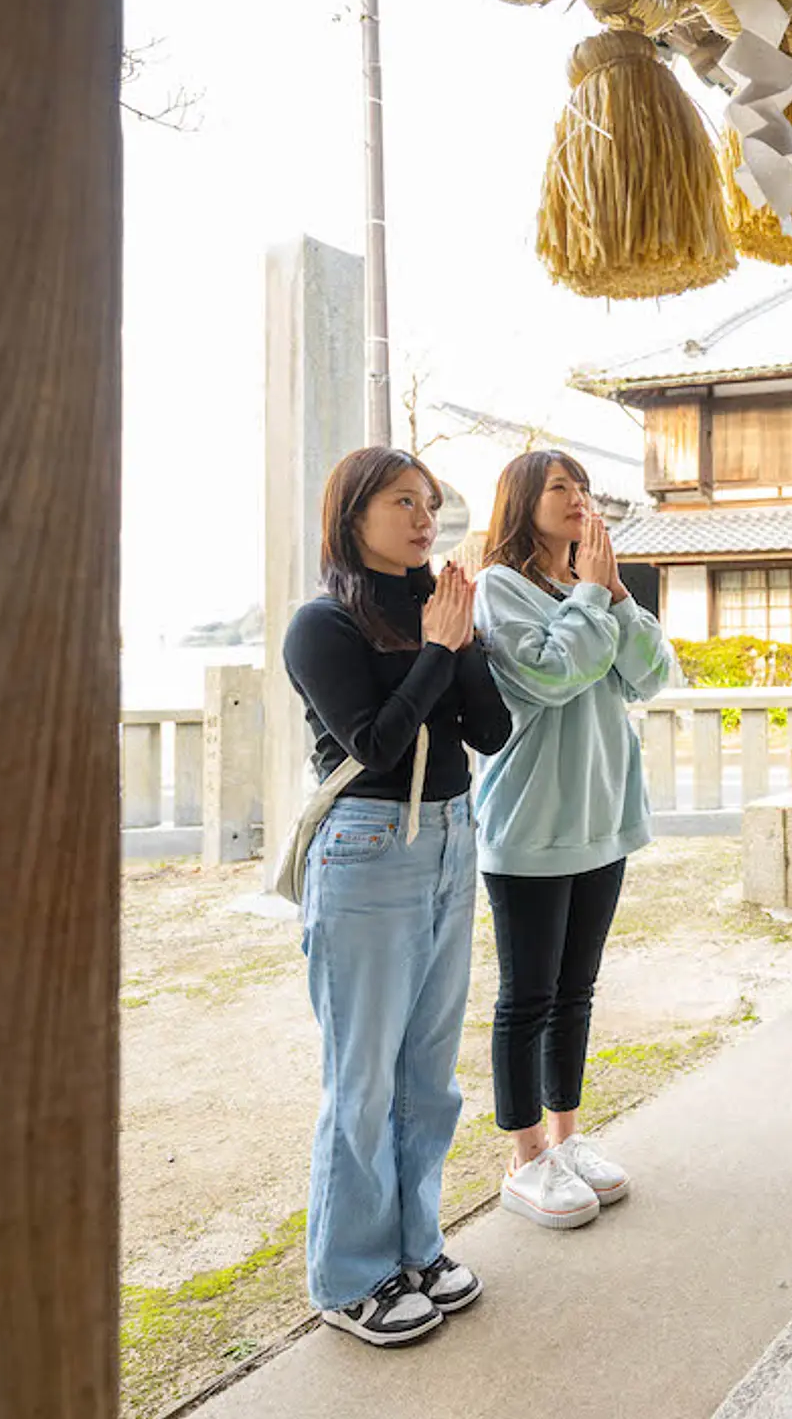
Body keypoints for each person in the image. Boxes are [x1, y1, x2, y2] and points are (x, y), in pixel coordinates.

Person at [281, 446, 513, 1346]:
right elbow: (374, 746)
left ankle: (416, 1248)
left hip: (454, 839)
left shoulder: (438, 608)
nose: (424, 518)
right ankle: (349, 1277)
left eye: (430, 502)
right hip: (370, 850)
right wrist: (439, 649)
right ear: (353, 517)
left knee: (427, 1074)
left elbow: (488, 731)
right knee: (365, 1077)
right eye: (402, 502)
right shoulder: (321, 626)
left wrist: (465, 645)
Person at [472, 449, 678, 1231]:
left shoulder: (588, 591)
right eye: (560, 487)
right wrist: (594, 594)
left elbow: (650, 676)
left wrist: (614, 595)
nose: (578, 498)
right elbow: (552, 675)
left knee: (575, 992)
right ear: (521, 502)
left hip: (600, 821)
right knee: (526, 997)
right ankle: (525, 1159)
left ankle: (565, 1136)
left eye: (584, 487)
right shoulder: (501, 588)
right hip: (531, 824)